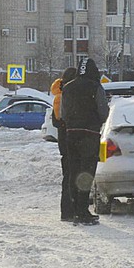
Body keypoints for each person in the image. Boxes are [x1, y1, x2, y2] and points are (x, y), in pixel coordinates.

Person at [61, 57, 109, 225]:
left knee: (73, 171)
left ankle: (74, 211)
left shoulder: (67, 87)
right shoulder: (95, 87)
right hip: (90, 134)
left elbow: (64, 114)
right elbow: (103, 112)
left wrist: (73, 123)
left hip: (71, 134)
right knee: (86, 173)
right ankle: (83, 211)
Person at [50, 66, 77, 221]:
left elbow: (56, 122)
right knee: (71, 177)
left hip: (63, 143)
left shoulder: (57, 96)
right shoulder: (65, 96)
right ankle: (70, 211)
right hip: (70, 141)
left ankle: (66, 212)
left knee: (67, 176)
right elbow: (64, 120)